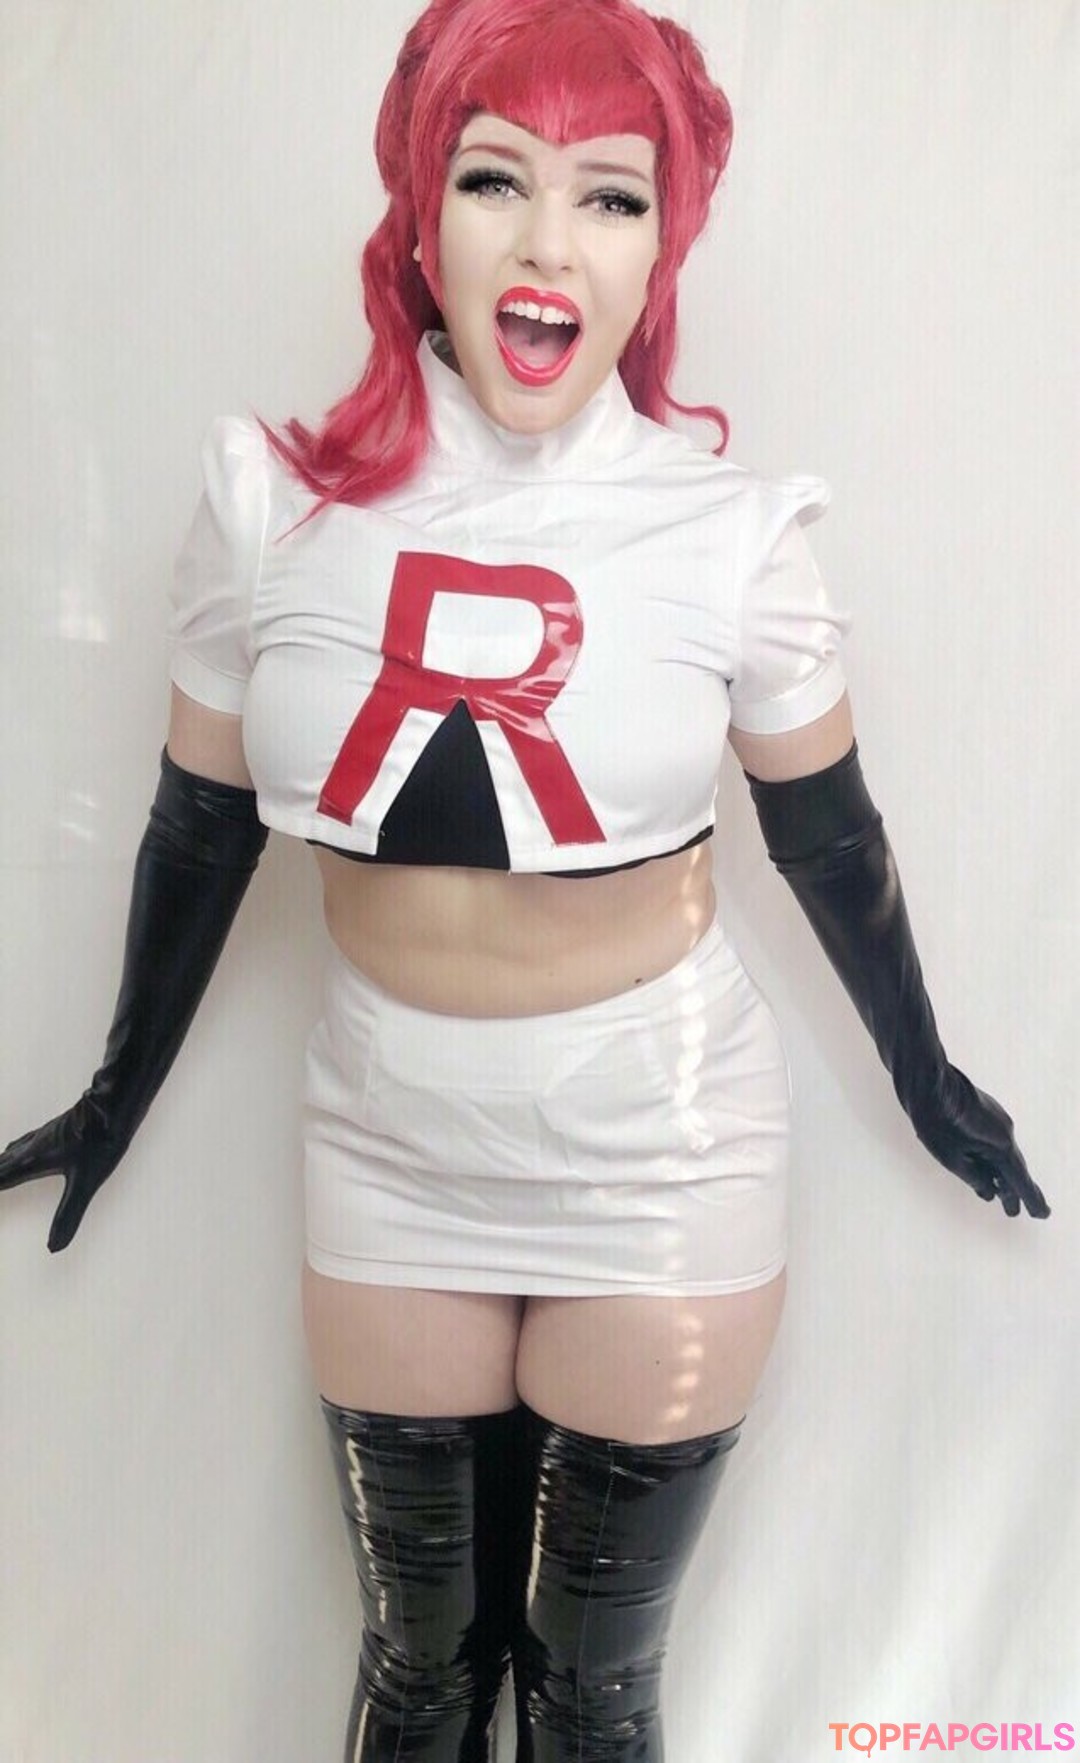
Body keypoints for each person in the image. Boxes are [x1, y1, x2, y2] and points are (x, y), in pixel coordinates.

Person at [0, 0, 1050, 1758]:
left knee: (586, 1688)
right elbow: (199, 824)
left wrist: (923, 1070)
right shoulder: (268, 502)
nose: (551, 241)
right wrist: (117, 1085)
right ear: (422, 214)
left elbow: (829, 837)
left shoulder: (729, 534)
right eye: (497, 179)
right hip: (387, 1140)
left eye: (612, 196)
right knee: (420, 1671)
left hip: (661, 1149)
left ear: (661, 249)